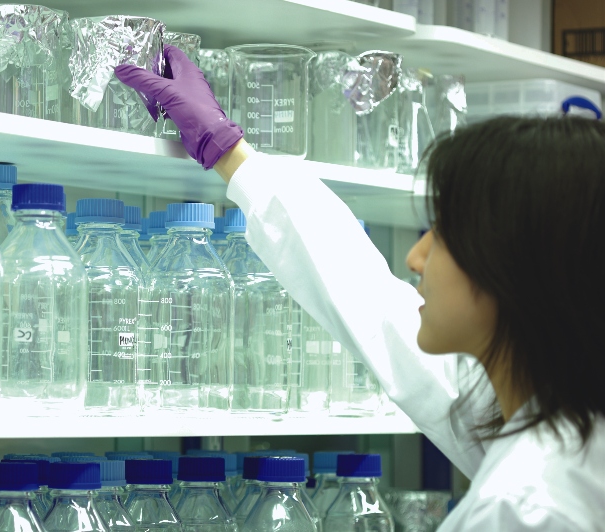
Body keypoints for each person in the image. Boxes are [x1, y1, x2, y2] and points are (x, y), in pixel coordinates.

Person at [115, 46, 605, 530]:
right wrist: (230, 153)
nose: (416, 256)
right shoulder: (552, 428)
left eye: (445, 232)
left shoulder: (530, 509)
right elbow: (375, 308)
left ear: (514, 270)